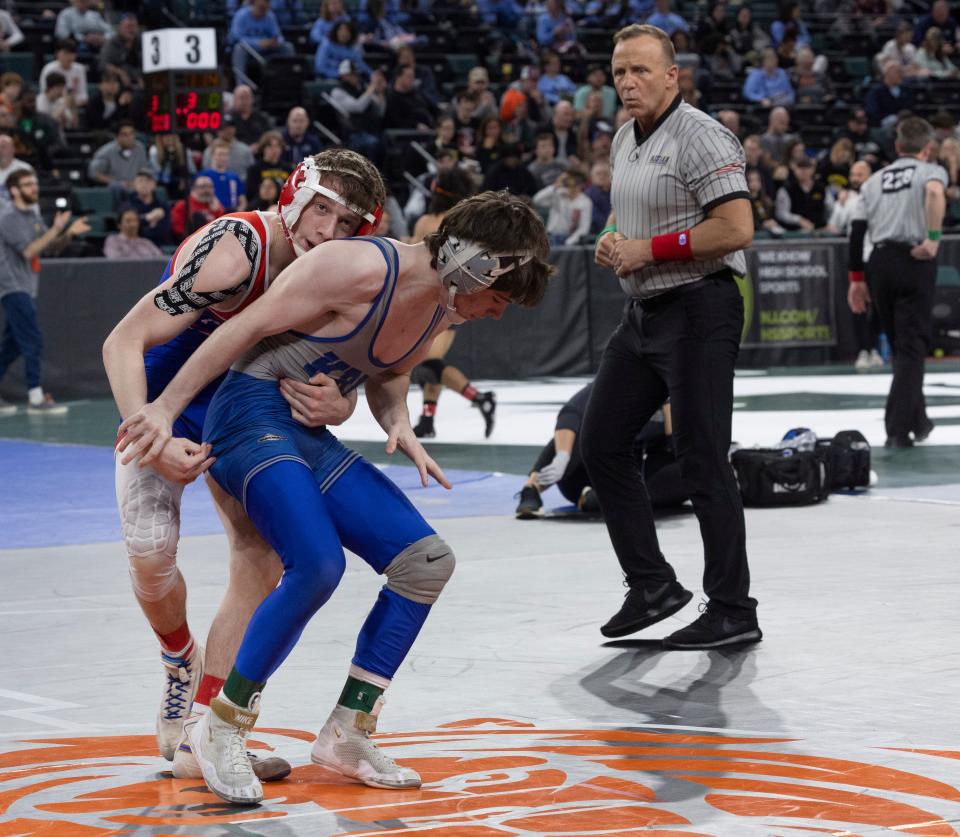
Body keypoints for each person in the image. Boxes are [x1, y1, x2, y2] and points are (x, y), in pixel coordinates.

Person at [115, 190, 552, 805]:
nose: (499, 313)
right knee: (316, 564)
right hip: (244, 414)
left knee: (425, 562)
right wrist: (163, 407)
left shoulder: (444, 306)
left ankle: (347, 732)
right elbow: (241, 329)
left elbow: (389, 368)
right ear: (470, 265)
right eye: (500, 298)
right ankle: (219, 727)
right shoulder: (356, 266)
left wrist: (393, 418)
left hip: (301, 431)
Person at [102, 150, 388, 785]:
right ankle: (180, 657)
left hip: (243, 407)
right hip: (164, 395)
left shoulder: (341, 273)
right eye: (322, 212)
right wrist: (149, 429)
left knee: (259, 559)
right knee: (151, 553)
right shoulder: (235, 249)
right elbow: (122, 339)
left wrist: (341, 401)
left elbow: (360, 365)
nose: (328, 234)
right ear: (294, 196)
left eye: (347, 226)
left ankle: (204, 731)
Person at [586, 24, 760, 650]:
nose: (627, 82)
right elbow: (629, 215)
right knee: (600, 440)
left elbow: (738, 227)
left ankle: (734, 609)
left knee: (701, 457)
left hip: (700, 309)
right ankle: (653, 583)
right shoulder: (626, 137)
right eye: (618, 72)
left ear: (671, 75)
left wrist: (648, 250)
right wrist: (613, 238)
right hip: (645, 314)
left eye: (639, 71)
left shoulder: (703, 136)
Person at [847, 117, 947, 447]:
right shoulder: (931, 171)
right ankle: (897, 429)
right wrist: (933, 239)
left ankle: (920, 421)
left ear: (897, 146)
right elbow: (934, 193)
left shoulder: (874, 180)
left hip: (879, 264)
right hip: (914, 259)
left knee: (901, 346)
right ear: (927, 148)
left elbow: (857, 230)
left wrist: (856, 280)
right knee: (911, 347)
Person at [407, 169, 499, 440]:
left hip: (431, 299)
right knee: (429, 362)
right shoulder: (462, 224)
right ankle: (428, 418)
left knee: (429, 361)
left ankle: (479, 397)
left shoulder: (427, 221)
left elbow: (413, 261)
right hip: (453, 298)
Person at [516, 383, 686, 519]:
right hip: (587, 472)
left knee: (689, 471)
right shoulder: (618, 383)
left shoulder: (677, 396)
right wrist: (562, 456)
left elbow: (679, 449)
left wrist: (670, 409)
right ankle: (532, 488)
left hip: (631, 478)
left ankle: (600, 501)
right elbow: (571, 414)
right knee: (578, 434)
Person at [0, 170, 90, 416]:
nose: (34, 188)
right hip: (12, 287)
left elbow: (48, 247)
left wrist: (67, 232)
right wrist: (56, 229)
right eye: (28, 184)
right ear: (14, 190)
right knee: (33, 341)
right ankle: (36, 398)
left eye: (35, 183)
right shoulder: (8, 217)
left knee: (12, 346)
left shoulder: (32, 215)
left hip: (27, 287)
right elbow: (29, 251)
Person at [229, 0, 295, 86]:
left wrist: (275, 42)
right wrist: (257, 43)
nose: (264, 6)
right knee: (239, 48)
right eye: (262, 5)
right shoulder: (241, 15)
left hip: (266, 51)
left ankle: (288, 83)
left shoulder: (270, 16)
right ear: (254, 3)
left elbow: (279, 37)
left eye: (267, 3)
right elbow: (236, 37)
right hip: (249, 51)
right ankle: (241, 86)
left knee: (287, 47)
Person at [170, 176, 226, 240]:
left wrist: (217, 211)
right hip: (192, 240)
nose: (206, 190)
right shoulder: (183, 205)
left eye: (209, 187)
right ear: (194, 189)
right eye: (202, 187)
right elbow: (178, 229)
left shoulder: (216, 204)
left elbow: (224, 225)